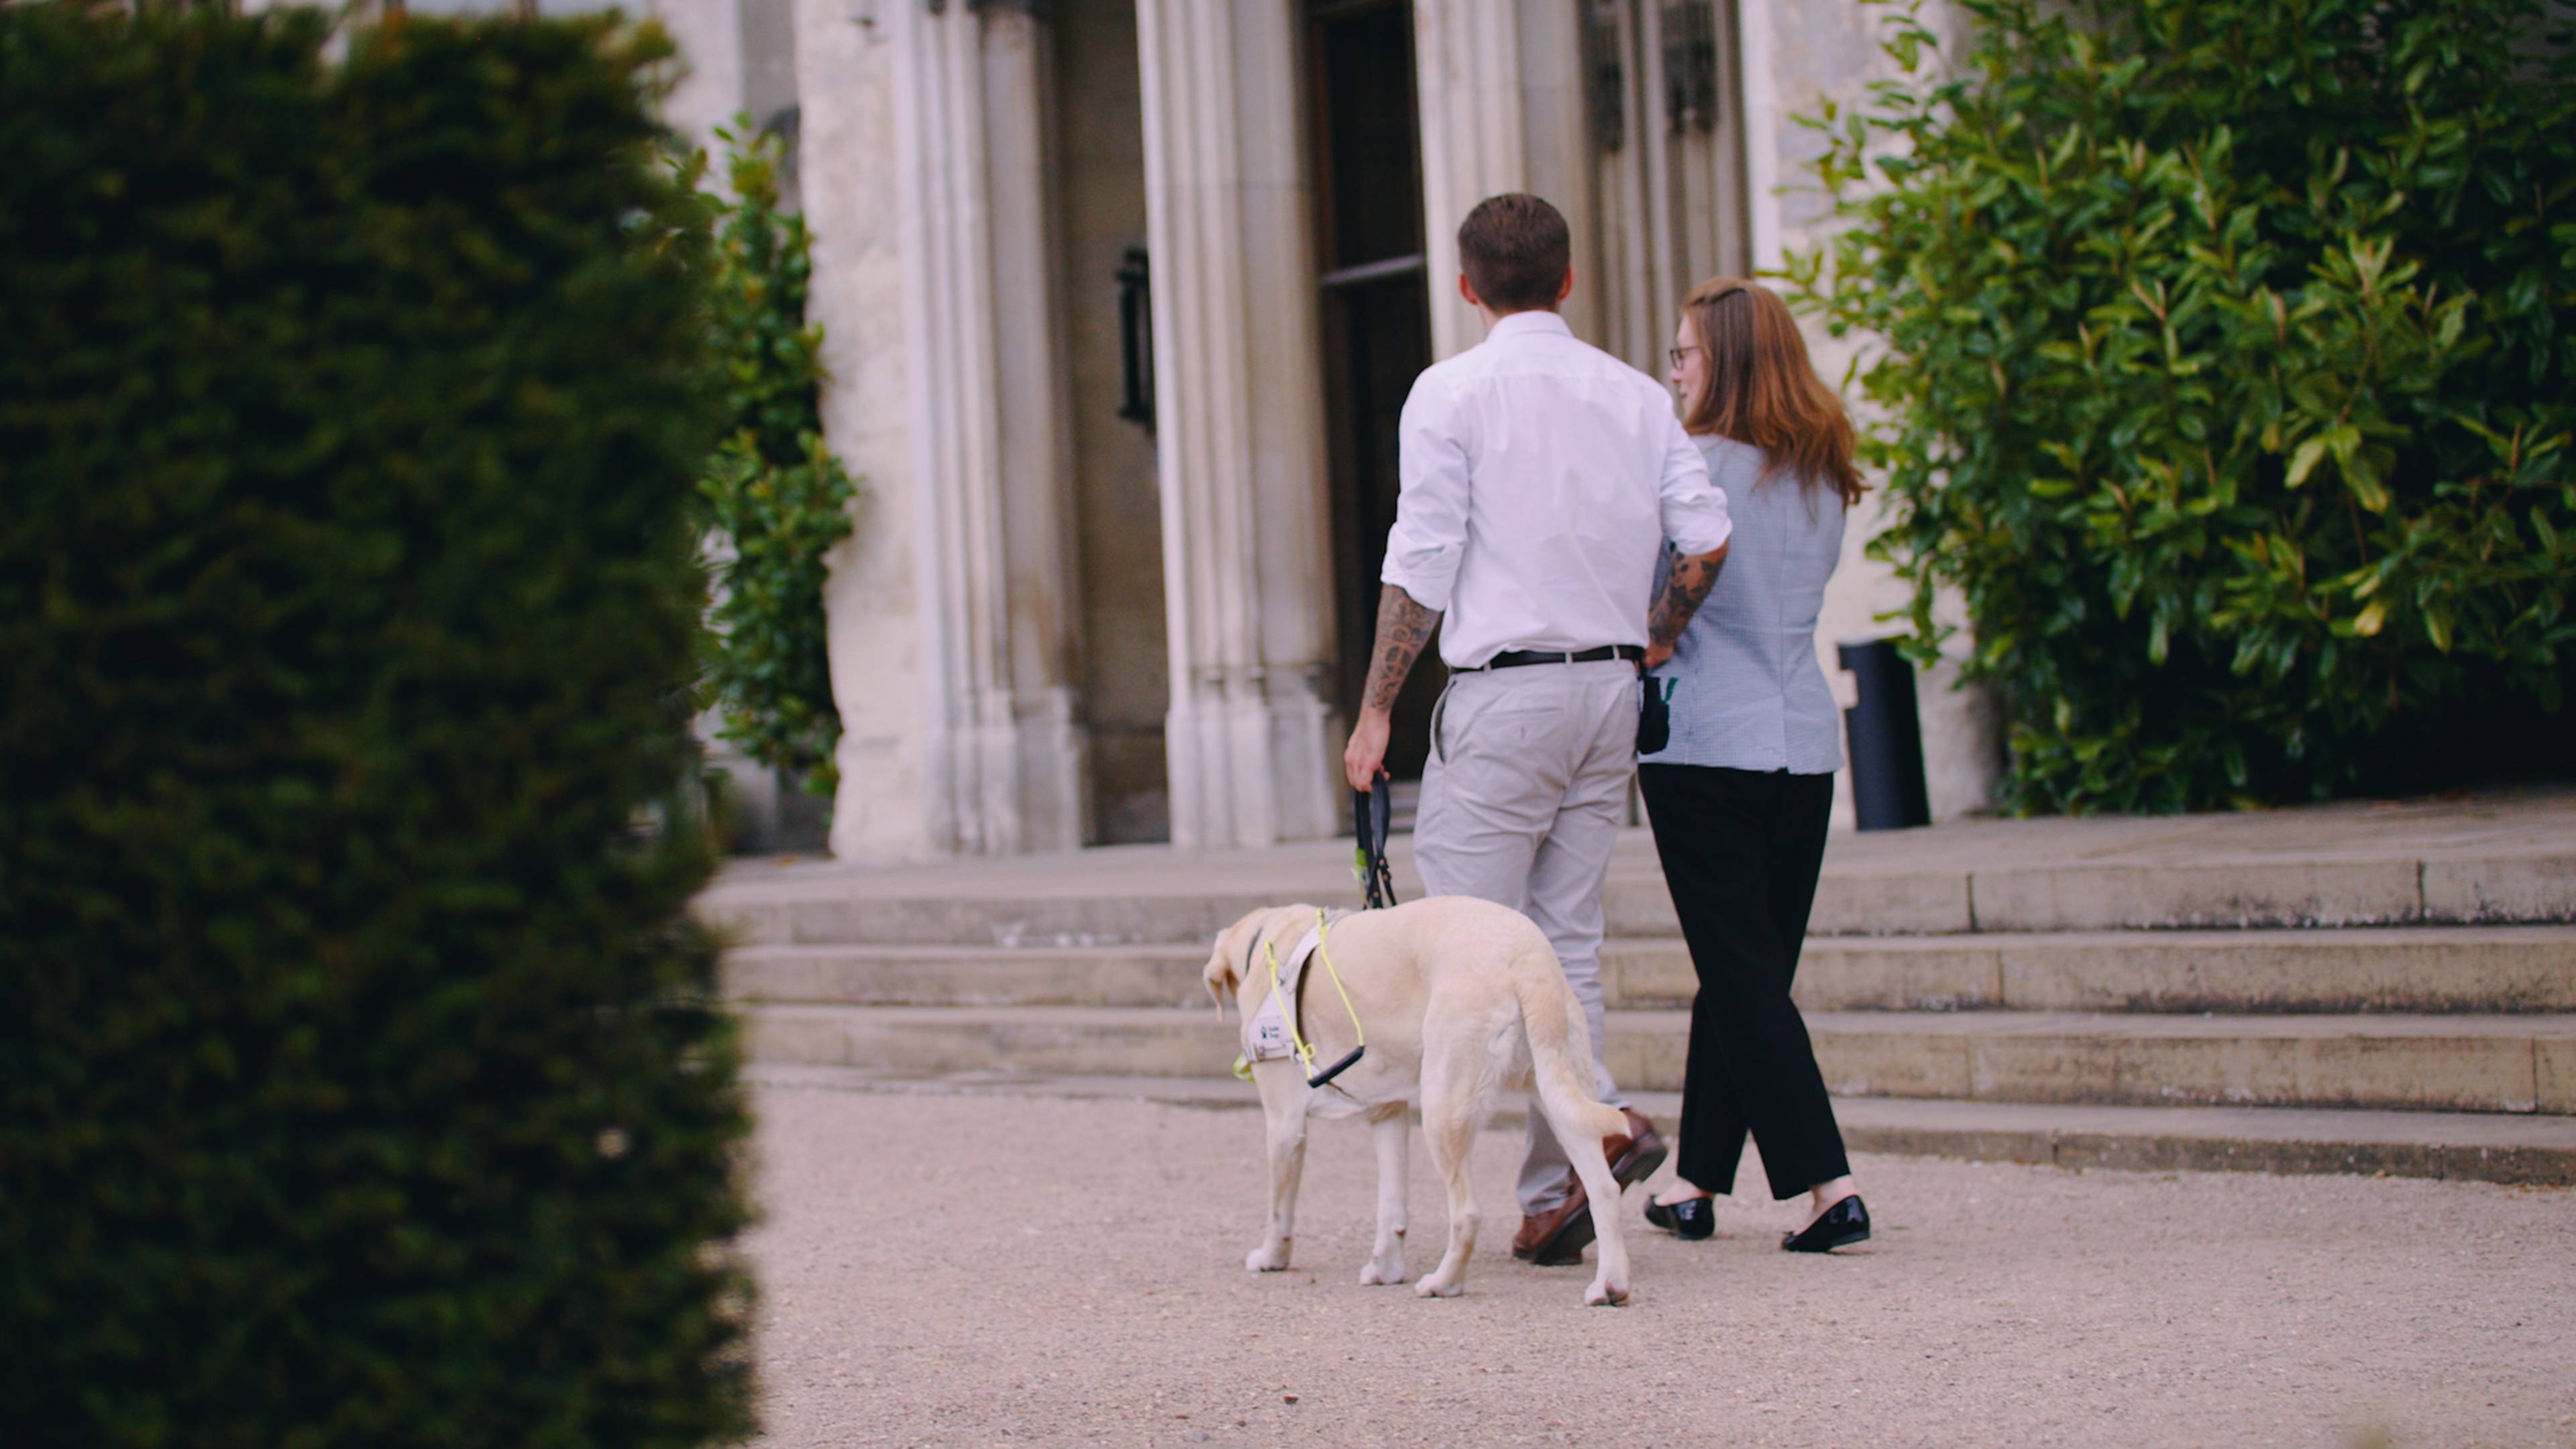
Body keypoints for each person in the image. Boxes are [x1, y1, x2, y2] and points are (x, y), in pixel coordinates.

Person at [1341, 193, 1735, 1269]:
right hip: (1609, 690)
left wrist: (1376, 709)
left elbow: (1424, 562)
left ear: (1466, 286)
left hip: (1506, 693)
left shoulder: (1450, 392)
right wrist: (1657, 636)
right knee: (1566, 946)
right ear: (1567, 280)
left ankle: (1598, 1123)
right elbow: (1706, 537)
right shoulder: (1634, 394)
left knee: (1472, 951)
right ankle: (1560, 1188)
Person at [1635, 277, 1871, 1253]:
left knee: (1742, 975)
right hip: (1802, 744)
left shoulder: (1691, 469)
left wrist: (1647, 640)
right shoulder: (1822, 474)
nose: (1674, 372)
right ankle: (1693, 1183)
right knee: (1744, 969)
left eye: (1684, 354)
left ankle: (1827, 1187)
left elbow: (1659, 592)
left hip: (1702, 745)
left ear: (1723, 360)